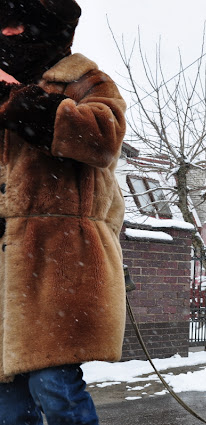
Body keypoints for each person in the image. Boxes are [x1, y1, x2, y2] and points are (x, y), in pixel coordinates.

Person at [0, 1, 127, 424]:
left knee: (53, 385)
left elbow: (103, 138)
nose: (7, 35)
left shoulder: (83, 79)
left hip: (58, 265)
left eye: (16, 26)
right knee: (9, 403)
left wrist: (16, 101)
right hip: (6, 273)